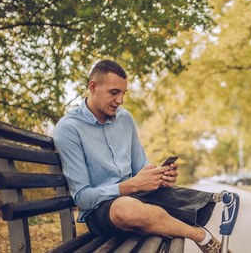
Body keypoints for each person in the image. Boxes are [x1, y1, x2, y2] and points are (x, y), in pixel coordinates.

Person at [53, 60, 226, 253]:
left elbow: (141, 168)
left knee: (186, 199)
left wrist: (160, 177)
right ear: (93, 87)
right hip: (101, 211)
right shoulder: (69, 128)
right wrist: (132, 186)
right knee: (126, 209)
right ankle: (200, 235)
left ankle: (168, 217)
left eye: (123, 93)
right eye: (114, 92)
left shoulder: (125, 119)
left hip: (138, 199)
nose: (120, 100)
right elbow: (83, 198)